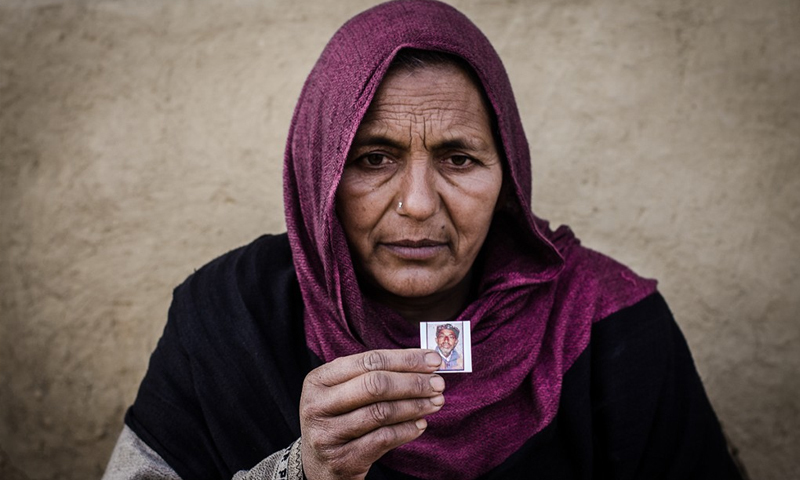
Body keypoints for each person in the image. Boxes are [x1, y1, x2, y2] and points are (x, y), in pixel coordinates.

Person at [103, 1, 744, 479]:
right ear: (318, 169)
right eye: (374, 158)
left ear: (510, 174)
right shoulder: (228, 315)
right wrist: (304, 471)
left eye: (460, 158)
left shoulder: (608, 324)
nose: (417, 204)